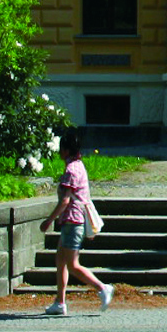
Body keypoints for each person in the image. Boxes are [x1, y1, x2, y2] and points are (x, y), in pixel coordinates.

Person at [41, 133, 112, 317]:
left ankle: (102, 288)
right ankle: (60, 301)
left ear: (65, 150)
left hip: (73, 220)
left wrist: (49, 220)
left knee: (72, 264)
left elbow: (65, 201)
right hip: (71, 220)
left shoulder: (72, 170)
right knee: (60, 261)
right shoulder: (78, 166)